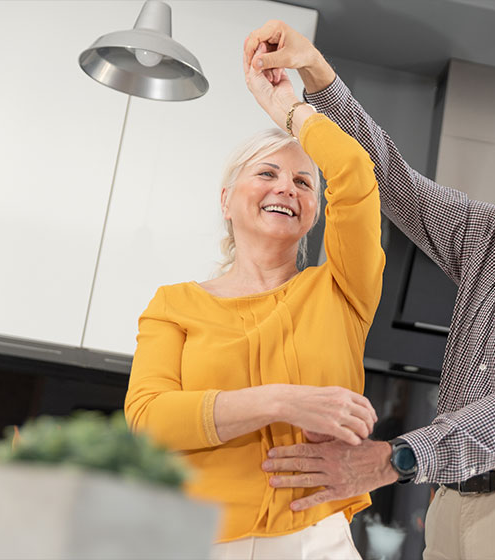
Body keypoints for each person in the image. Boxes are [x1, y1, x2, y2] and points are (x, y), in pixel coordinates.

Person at [245, 21, 495, 560]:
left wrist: (397, 457)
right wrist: (315, 73)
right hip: (451, 503)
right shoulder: (489, 236)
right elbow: (390, 177)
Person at [124, 42, 386, 559]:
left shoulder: (341, 290)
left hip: (316, 541)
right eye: (267, 173)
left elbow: (356, 174)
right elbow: (148, 420)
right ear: (227, 200)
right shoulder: (174, 305)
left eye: (303, 182)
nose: (286, 188)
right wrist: (283, 401)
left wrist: (288, 109)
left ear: (314, 212)